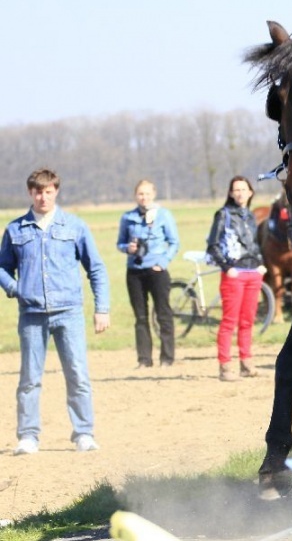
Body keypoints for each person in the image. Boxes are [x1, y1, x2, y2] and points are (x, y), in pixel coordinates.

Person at [0, 168, 110, 455]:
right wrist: (15, 288)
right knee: (29, 378)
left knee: (77, 374)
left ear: (56, 192)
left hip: (69, 312)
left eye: (48, 191)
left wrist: (102, 308)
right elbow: (2, 267)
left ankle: (83, 433)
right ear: (30, 193)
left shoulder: (74, 226)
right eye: (38, 191)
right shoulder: (15, 229)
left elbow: (95, 268)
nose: (43, 197)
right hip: (31, 315)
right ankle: (28, 436)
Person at [206, 176, 267, 382]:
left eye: (244, 189)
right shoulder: (223, 215)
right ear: (231, 193)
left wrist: (260, 264)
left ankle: (246, 363)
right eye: (236, 190)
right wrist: (227, 267)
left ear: (250, 192)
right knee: (229, 321)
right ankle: (225, 366)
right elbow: (212, 246)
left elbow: (255, 244)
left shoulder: (250, 216)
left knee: (247, 321)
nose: (240, 193)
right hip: (234, 274)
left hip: (253, 273)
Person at [116, 180, 180, 368]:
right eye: (140, 194)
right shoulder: (128, 217)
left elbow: (174, 242)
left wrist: (163, 261)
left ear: (154, 194)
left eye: (147, 194)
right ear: (135, 196)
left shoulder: (164, 215)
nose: (144, 198)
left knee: (163, 314)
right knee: (140, 317)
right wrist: (128, 248)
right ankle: (144, 359)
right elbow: (120, 243)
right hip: (135, 271)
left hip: (157, 271)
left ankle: (167, 358)